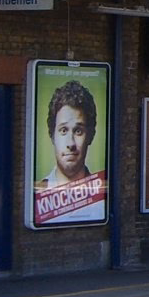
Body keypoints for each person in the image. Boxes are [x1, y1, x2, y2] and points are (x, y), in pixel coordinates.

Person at [33, 79, 106, 225]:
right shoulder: (37, 193)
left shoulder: (102, 197)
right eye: (63, 130)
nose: (71, 143)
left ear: (90, 136)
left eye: (78, 131)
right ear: (52, 135)